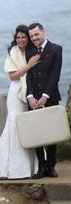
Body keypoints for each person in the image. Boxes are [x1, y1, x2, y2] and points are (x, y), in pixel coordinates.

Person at [0, 25, 40, 181]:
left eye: (23, 37)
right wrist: (28, 66)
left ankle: (30, 167)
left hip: (29, 94)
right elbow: (13, 76)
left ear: (28, 38)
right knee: (15, 128)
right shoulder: (13, 53)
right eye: (18, 37)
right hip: (16, 94)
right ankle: (12, 169)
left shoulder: (32, 52)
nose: (20, 40)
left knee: (27, 130)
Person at [26, 22, 63, 179]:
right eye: (31, 36)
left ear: (43, 32)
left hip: (50, 97)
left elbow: (55, 75)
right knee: (36, 134)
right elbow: (29, 75)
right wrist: (30, 96)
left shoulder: (56, 49)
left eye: (36, 34)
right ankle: (41, 165)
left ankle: (51, 165)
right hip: (33, 100)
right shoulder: (29, 52)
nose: (34, 38)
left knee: (51, 134)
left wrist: (45, 96)